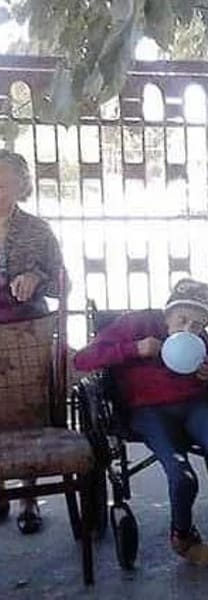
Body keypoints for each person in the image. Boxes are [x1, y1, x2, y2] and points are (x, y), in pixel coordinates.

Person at [73, 279, 208, 582]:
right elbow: (82, 359)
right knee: (182, 478)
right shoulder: (136, 323)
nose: (188, 329)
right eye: (182, 320)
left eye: (197, 325)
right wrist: (134, 348)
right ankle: (183, 538)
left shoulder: (198, 340)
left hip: (194, 405)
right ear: (168, 313)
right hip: (147, 411)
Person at [0, 149, 67, 535]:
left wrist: (37, 278)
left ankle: (27, 497)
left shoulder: (38, 230)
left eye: (6, 182)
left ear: (21, 186)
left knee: (27, 407)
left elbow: (64, 285)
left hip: (28, 331)